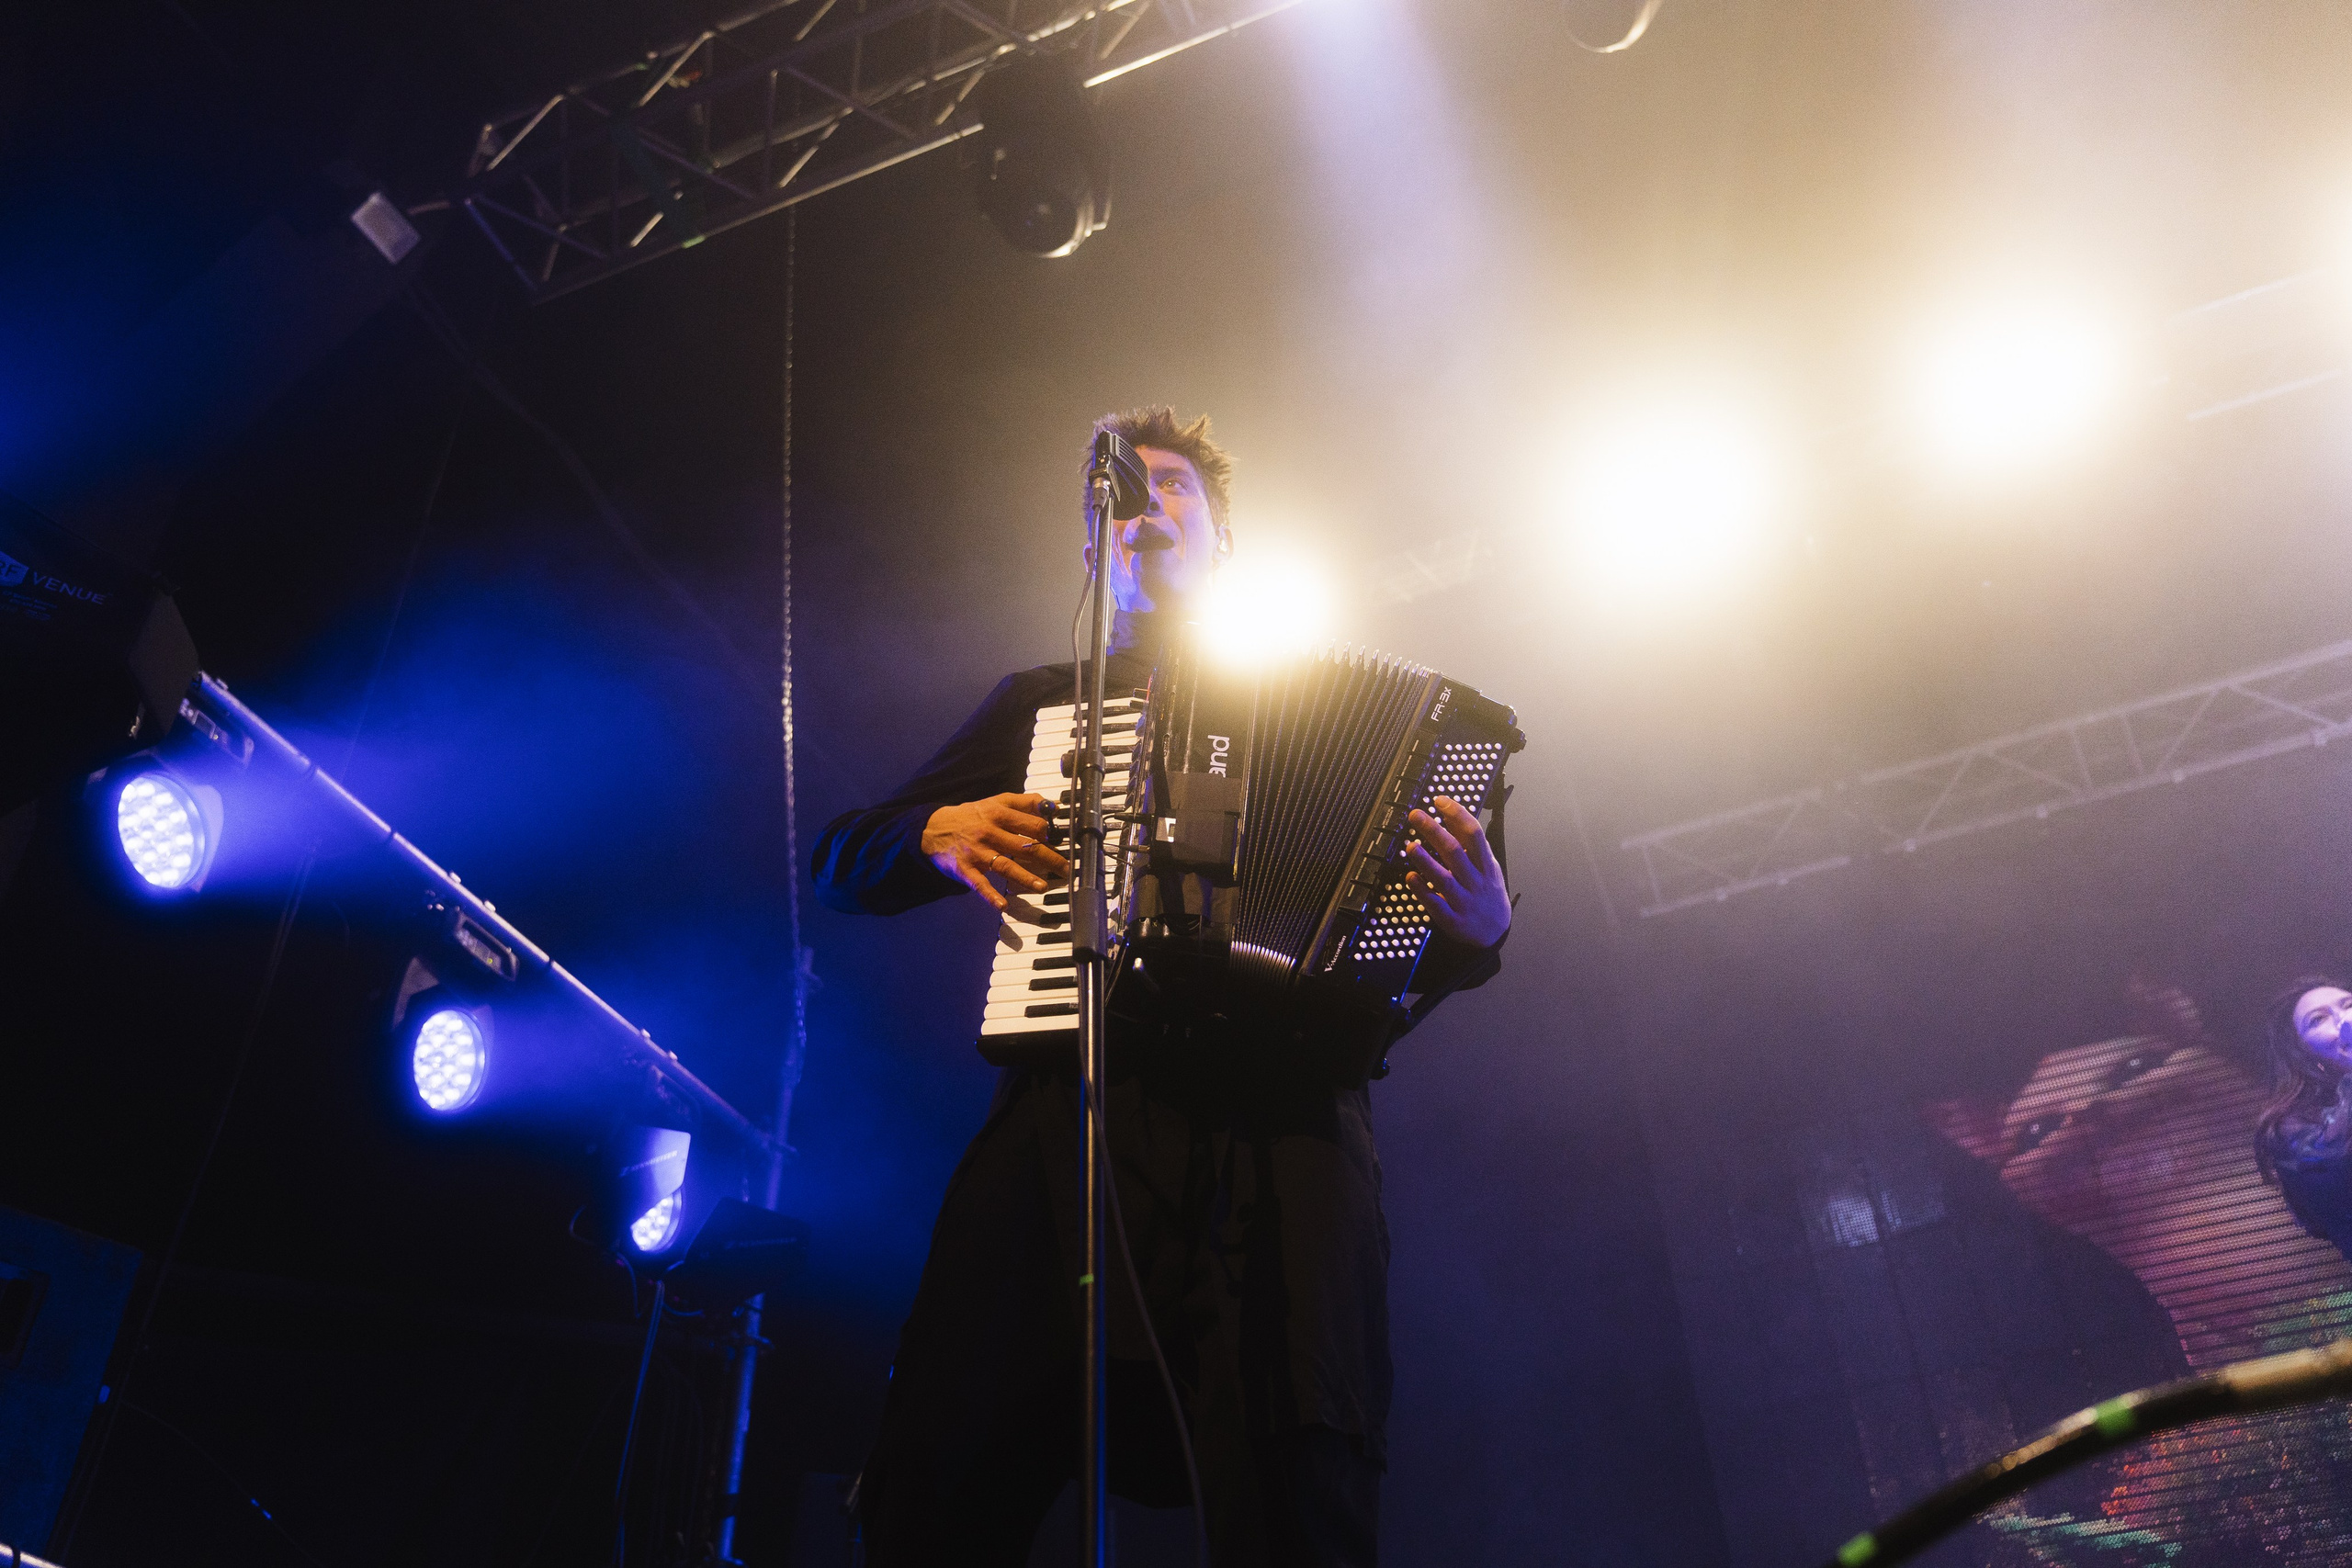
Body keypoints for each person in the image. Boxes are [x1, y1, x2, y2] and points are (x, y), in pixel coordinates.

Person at [811, 406, 1511, 1567]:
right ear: (1094, 549)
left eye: (1176, 488)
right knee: (943, 1467)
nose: (1147, 503)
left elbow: (1432, 938)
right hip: (1073, 1117)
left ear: (1224, 540)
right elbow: (842, 859)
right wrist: (931, 832)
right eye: (1123, 492)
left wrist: (1483, 932)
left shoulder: (1365, 715)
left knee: (1300, 1484)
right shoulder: (1040, 702)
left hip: (1287, 1137)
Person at [2256, 978, 2352, 1259]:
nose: (2343, 1019)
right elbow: (2333, 1166)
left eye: (2348, 1004)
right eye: (2318, 1019)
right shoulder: (2294, 1125)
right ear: (2304, 1053)